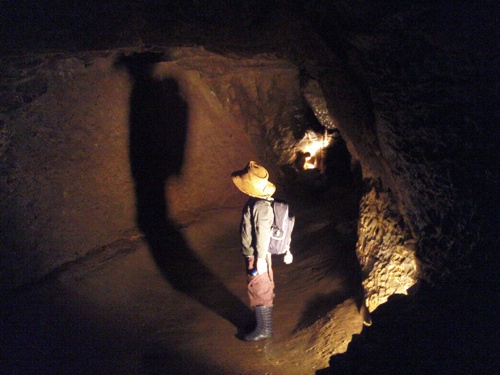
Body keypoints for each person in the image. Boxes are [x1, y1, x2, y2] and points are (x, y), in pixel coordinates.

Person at [231, 161, 290, 341]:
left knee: (259, 287)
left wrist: (261, 260)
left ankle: (264, 329)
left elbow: (262, 233)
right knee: (259, 286)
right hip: (257, 254)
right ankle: (262, 325)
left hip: (258, 255)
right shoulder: (256, 202)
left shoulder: (260, 206)